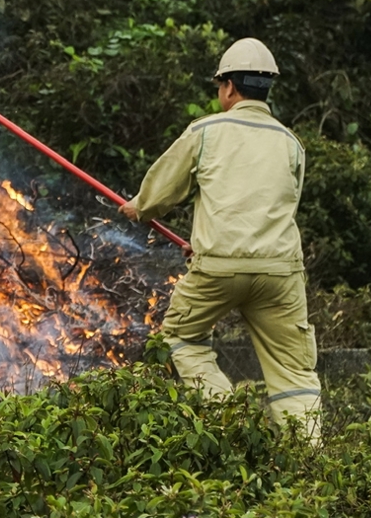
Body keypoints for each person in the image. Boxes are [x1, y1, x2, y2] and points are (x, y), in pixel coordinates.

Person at [119, 38, 322, 437]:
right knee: (294, 371)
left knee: (181, 337)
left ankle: (230, 419)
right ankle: (308, 462)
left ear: (229, 87)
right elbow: (279, 208)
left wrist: (138, 208)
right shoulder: (291, 144)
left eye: (219, 86)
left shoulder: (206, 131)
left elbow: (160, 194)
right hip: (281, 275)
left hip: (218, 271)